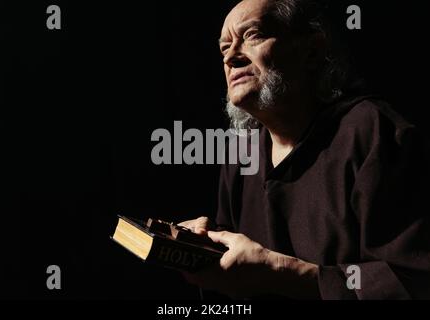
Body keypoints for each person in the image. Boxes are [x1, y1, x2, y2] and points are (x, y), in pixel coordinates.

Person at [180, 0, 430, 299]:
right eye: (224, 48)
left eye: (253, 36)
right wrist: (202, 248)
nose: (232, 57)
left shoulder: (373, 132)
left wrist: (281, 271)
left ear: (311, 51)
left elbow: (413, 280)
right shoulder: (240, 153)